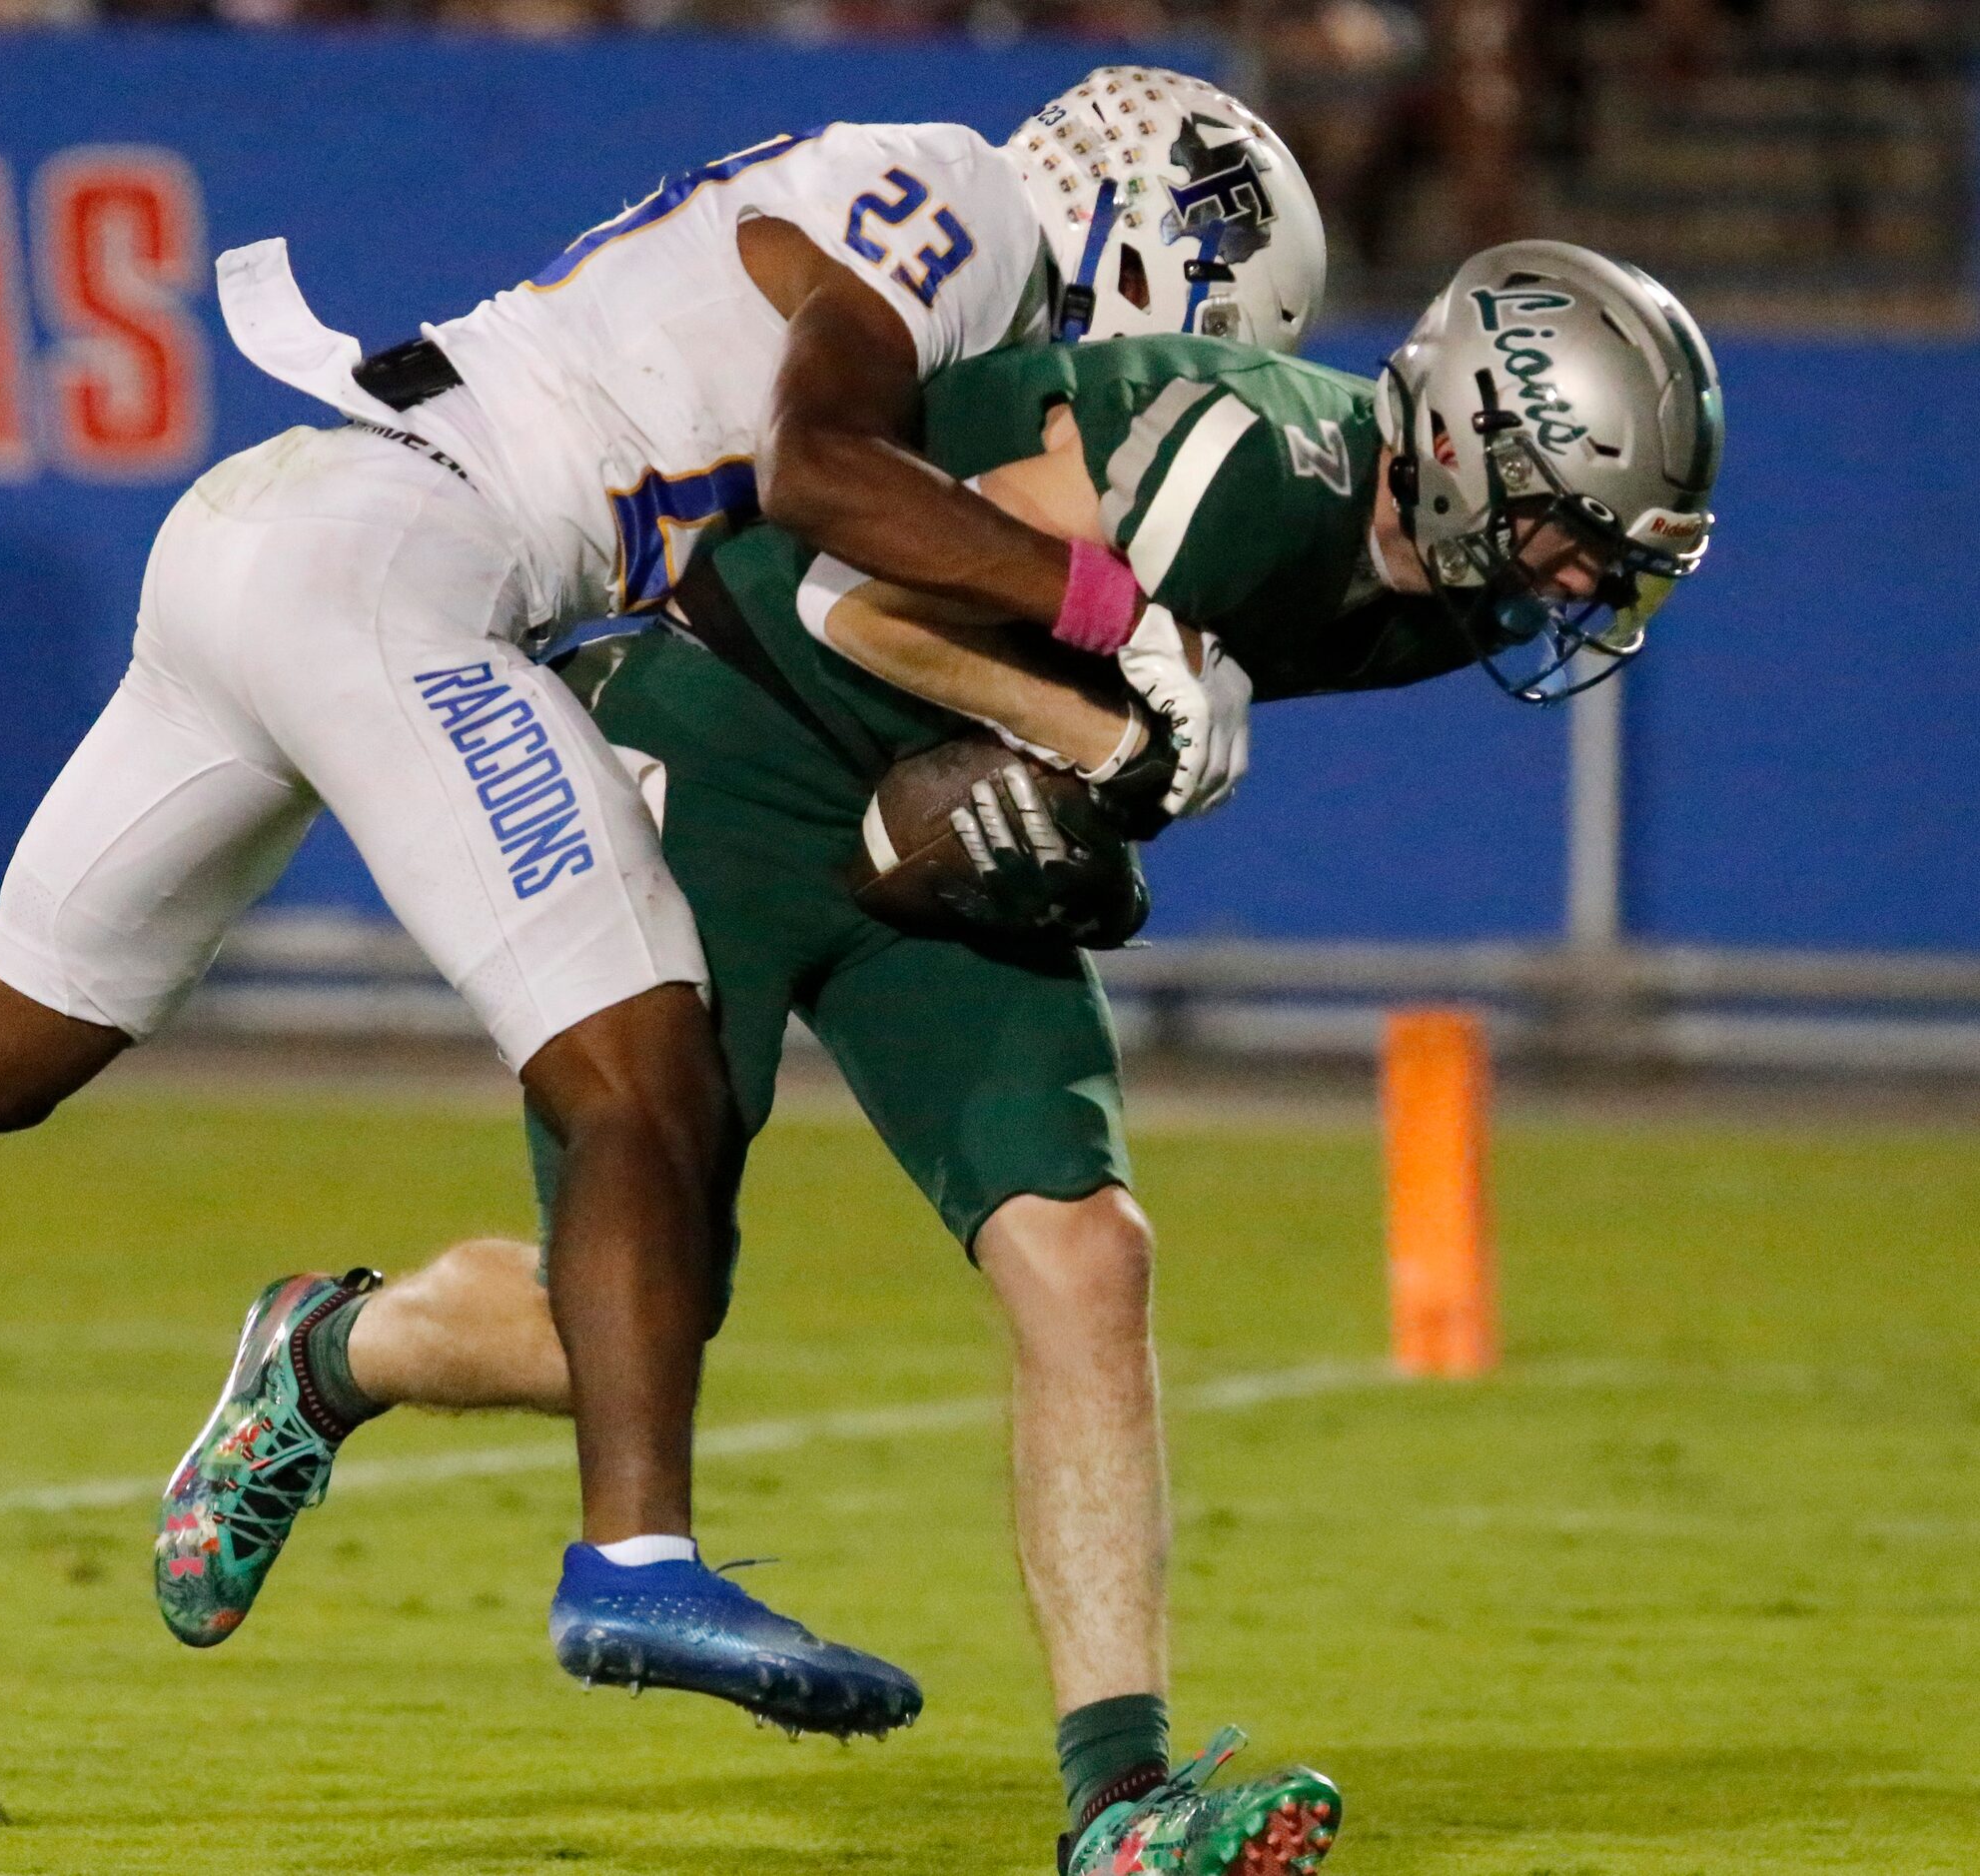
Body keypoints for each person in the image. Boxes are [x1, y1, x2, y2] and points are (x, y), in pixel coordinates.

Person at [0, 70, 1317, 1736]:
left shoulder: (912, 212)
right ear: (1156, 242)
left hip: (285, 531)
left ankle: (394, 1399)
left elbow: (754, 539)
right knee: (645, 1068)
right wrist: (1103, 600)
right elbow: (825, 468)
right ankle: (635, 1560)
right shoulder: (964, 211)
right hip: (405, 567)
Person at [152, 238, 1725, 1873]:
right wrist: (1104, 737)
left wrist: (1086, 777)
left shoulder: (1436, 593)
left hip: (933, 783)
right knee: (620, 1321)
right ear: (1473, 438)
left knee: (1084, 1249)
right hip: (740, 731)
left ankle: (1126, 1804)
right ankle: (324, 1354)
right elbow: (855, 591)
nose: (1574, 586)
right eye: (1570, 530)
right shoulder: (1241, 470)